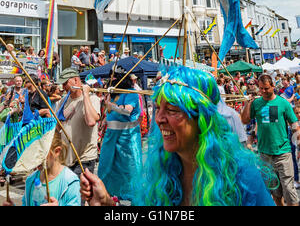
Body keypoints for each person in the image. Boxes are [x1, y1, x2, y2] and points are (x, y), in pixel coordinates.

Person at [81, 66, 275, 206]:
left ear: (202, 119)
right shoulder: (161, 173)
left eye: (172, 110)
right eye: (158, 108)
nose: (159, 119)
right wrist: (107, 204)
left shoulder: (241, 178)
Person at [241, 73, 300, 206]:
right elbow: (244, 120)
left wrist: (298, 136)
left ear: (273, 86)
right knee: (275, 192)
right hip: (265, 155)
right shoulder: (256, 103)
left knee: (289, 192)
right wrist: (248, 104)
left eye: (266, 88)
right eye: (261, 88)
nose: (263, 91)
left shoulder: (282, 103)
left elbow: (294, 124)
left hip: (283, 153)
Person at [97, 67, 142, 201]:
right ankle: (107, 195)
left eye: (114, 77)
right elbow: (110, 113)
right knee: (106, 165)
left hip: (127, 136)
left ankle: (134, 198)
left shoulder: (131, 93)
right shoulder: (113, 93)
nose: (111, 80)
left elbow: (127, 111)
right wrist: (103, 122)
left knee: (129, 169)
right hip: (111, 135)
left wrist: (112, 106)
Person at [3, 131, 81, 206]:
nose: (35, 159)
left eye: (40, 153)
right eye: (33, 152)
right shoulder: (31, 180)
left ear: (57, 151)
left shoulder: (70, 182)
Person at [56, 68, 100, 193]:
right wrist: (62, 116)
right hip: (66, 157)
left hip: (84, 157)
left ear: (76, 80)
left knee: (77, 195)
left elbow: (91, 121)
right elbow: (56, 128)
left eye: (66, 83)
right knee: (67, 195)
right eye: (62, 84)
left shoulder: (92, 98)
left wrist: (85, 94)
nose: (63, 87)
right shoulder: (62, 101)